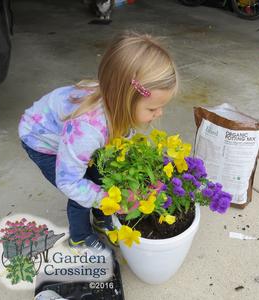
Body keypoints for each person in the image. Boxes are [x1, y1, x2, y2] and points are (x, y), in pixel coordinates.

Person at [18, 31, 179, 256]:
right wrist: (109, 199)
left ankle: (102, 218)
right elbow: (69, 182)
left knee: (98, 177)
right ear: (123, 99)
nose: (159, 113)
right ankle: (80, 237)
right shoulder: (87, 130)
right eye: (152, 109)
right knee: (82, 191)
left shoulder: (115, 105)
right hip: (39, 139)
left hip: (68, 135)